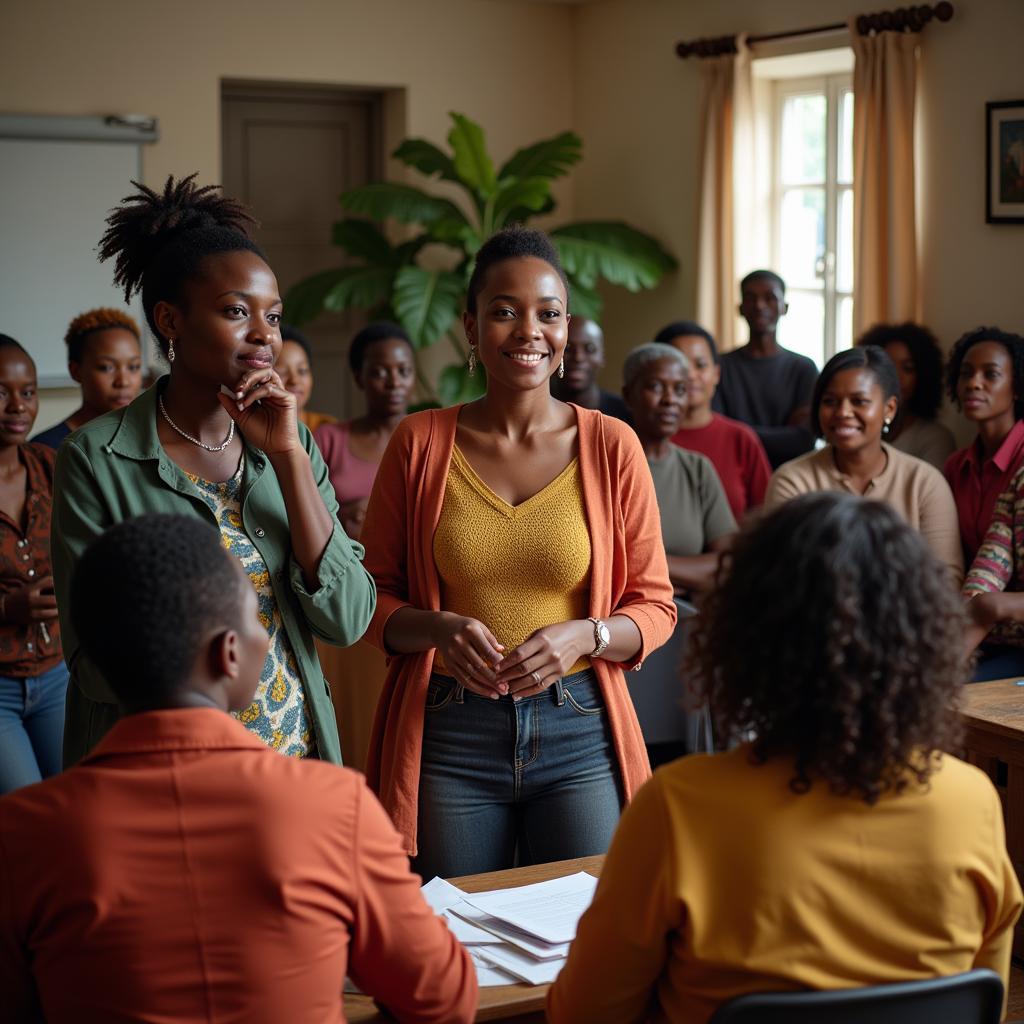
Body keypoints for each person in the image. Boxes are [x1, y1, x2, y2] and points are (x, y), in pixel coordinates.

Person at [549, 493, 1022, 1024]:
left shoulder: (680, 806)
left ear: (746, 640)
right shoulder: (971, 801)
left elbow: (584, 1012)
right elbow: (987, 997)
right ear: (920, 642)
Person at [0, 514, 476, 1024]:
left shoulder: (23, 831)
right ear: (228, 653)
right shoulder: (331, 804)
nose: (264, 638)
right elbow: (441, 998)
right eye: (258, 618)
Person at [360, 225, 676, 879]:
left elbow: (655, 607)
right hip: (452, 729)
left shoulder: (612, 445)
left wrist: (585, 636)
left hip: (579, 726)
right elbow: (371, 598)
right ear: (471, 328)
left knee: (582, 941)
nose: (528, 330)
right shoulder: (420, 443)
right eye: (504, 311)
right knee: (459, 938)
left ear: (565, 333)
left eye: (548, 313)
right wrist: (438, 629)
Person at [51, 174, 376, 767]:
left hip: (293, 765)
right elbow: (94, 665)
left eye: (273, 317)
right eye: (235, 311)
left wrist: (288, 458)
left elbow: (348, 618)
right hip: (164, 780)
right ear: (171, 321)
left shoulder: (292, 442)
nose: (263, 336)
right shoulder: (96, 459)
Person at [620, 342, 735, 766]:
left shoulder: (697, 468)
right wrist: (685, 572)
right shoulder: (604, 460)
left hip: (684, 633)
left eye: (680, 388)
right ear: (629, 393)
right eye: (656, 387)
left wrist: (649, 567)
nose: (671, 399)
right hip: (616, 632)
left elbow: (726, 565)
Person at [765, 346, 962, 583]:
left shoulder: (924, 483)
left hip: (906, 618)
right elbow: (781, 577)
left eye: (859, 401)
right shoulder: (792, 480)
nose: (843, 412)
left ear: (889, 409)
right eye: (830, 401)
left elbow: (946, 580)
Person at [0, 336, 67, 794]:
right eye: (0, 392)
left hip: (59, 674)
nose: (17, 406)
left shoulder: (50, 464)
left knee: (80, 804)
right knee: (26, 819)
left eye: (28, 392)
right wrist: (8, 608)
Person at [655, 320, 771, 519]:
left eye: (700, 365)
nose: (691, 375)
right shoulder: (637, 440)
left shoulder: (741, 439)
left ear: (716, 374)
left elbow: (765, 515)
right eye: (680, 365)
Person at [315, 322, 416, 540]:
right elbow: (299, 508)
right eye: (380, 373)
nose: (394, 382)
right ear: (359, 377)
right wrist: (343, 515)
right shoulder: (328, 439)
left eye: (404, 371)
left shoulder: (430, 440)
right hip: (343, 563)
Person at [713, 270, 818, 468]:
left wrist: (738, 432)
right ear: (740, 308)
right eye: (751, 298)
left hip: (791, 474)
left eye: (770, 298)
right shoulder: (720, 366)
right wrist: (782, 434)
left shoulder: (803, 368)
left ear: (784, 307)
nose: (760, 305)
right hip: (733, 472)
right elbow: (717, 435)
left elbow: (804, 440)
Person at [944, 326, 1024, 565]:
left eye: (990, 374)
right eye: (966, 373)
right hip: (971, 593)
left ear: (1017, 387)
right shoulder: (956, 467)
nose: (973, 383)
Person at [32, 307, 144, 449]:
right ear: (76, 371)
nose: (123, 381)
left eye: (133, 367)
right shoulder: (46, 449)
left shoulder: (150, 438)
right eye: (106, 367)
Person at [855, 321, 955, 470]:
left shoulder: (934, 438)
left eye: (907, 369)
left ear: (923, 376)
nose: (895, 376)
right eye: (887, 366)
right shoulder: (852, 428)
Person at [550, 315, 631, 422]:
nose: (578, 357)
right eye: (567, 348)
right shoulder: (535, 407)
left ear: (602, 357)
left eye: (590, 349)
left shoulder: (624, 413)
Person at [276, 323, 338, 434]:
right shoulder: (248, 431)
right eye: (281, 372)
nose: (294, 381)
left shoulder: (328, 429)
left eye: (302, 371)